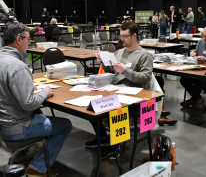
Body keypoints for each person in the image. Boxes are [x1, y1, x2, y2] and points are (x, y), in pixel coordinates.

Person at [0, 22, 72, 177]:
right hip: (17, 128)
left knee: (38, 112)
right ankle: (38, 168)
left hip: (3, 124)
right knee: (65, 125)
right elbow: (28, 104)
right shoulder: (17, 66)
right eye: (28, 39)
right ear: (19, 40)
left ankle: (19, 159)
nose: (30, 42)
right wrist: (45, 92)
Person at [85, 22, 154, 150]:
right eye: (120, 35)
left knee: (116, 110)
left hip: (135, 94)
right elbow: (111, 71)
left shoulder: (144, 55)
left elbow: (145, 78)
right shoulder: (119, 52)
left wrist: (125, 71)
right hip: (116, 90)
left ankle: (116, 145)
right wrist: (104, 62)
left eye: (125, 36)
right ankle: (103, 137)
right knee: (90, 107)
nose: (121, 39)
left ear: (134, 36)